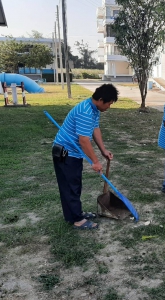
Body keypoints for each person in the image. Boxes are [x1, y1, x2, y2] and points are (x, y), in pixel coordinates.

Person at [52, 84, 119, 230]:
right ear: (101, 99)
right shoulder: (86, 112)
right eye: (109, 103)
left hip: (72, 152)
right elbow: (83, 140)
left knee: (74, 184)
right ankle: (77, 220)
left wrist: (103, 150)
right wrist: (95, 162)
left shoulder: (95, 109)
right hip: (65, 152)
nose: (109, 106)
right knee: (71, 186)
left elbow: (95, 129)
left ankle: (75, 213)